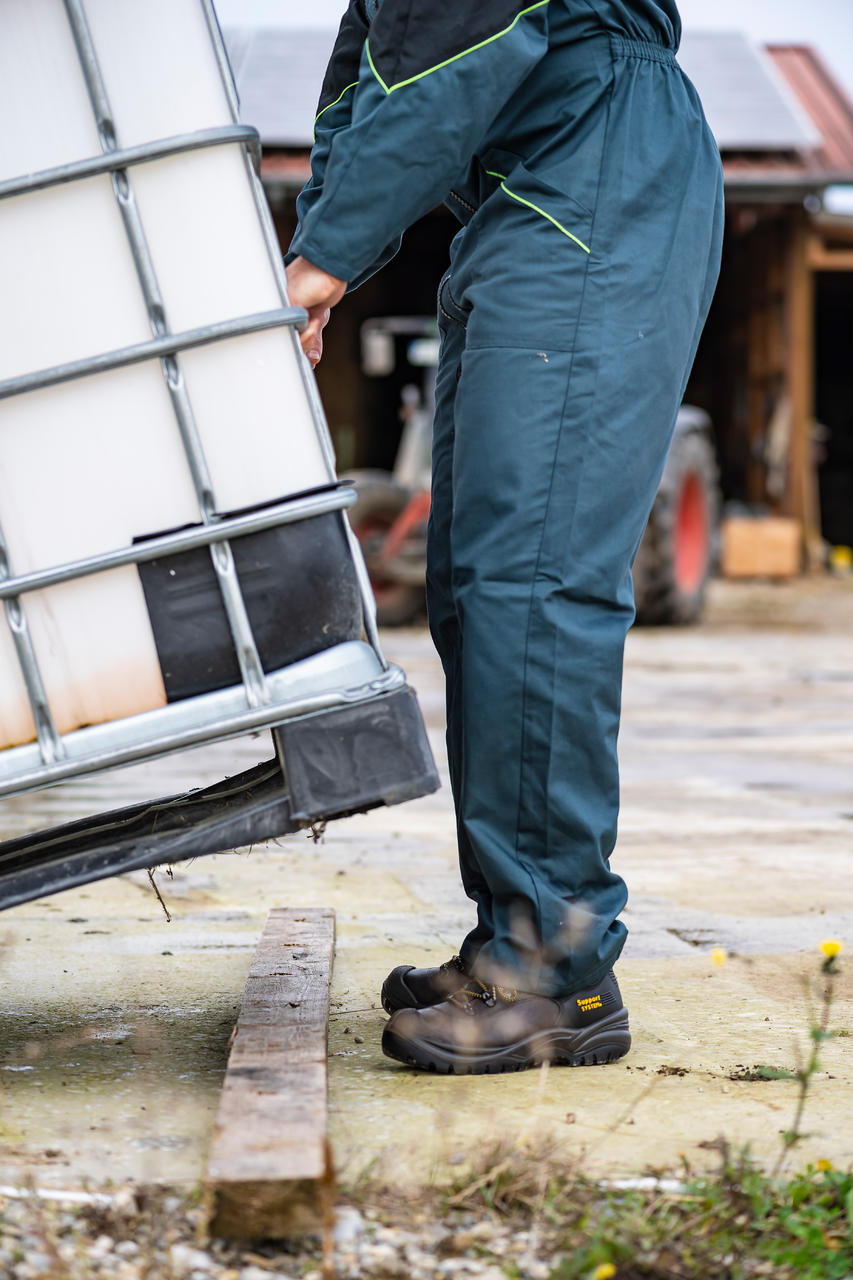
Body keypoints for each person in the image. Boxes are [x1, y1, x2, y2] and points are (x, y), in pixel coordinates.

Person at [285, 0, 723, 1075]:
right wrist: (312, 241)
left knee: (533, 584)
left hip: (594, 163)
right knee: (479, 583)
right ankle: (510, 933)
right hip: (527, 191)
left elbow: (458, 41)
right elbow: (367, 74)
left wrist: (325, 260)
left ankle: (555, 967)